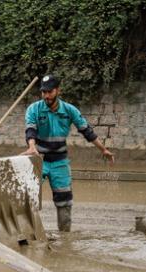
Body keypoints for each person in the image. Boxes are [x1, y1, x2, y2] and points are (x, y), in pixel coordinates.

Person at [23, 75, 115, 232]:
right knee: (28, 196)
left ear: (58, 90)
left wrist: (103, 149)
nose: (46, 96)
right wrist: (32, 146)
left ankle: (65, 237)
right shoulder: (34, 109)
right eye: (43, 92)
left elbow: (87, 131)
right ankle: (30, 234)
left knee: (64, 200)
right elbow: (30, 129)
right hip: (39, 158)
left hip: (60, 161)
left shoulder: (69, 110)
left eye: (49, 92)